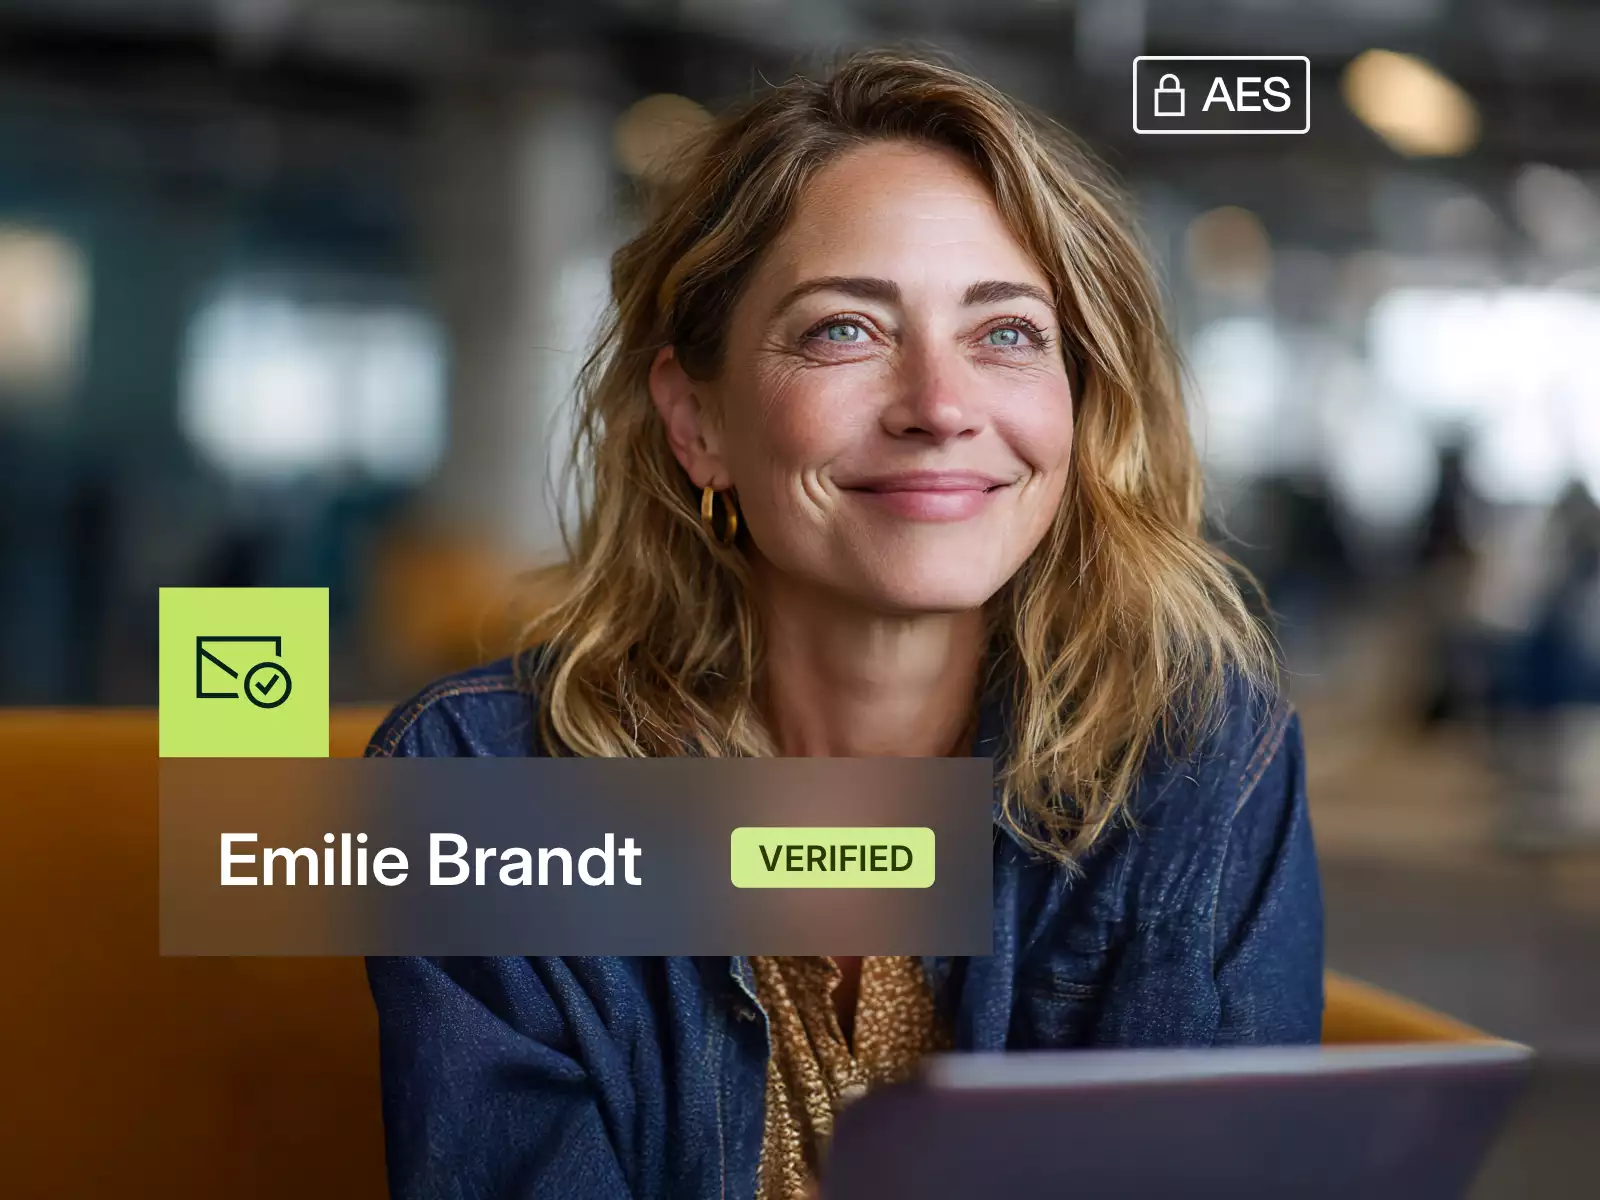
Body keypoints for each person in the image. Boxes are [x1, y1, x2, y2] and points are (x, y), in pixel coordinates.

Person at [364, 51, 1323, 1200]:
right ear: (697, 421)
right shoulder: (479, 788)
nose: (939, 407)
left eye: (1007, 334)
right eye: (844, 333)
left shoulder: (1194, 765)